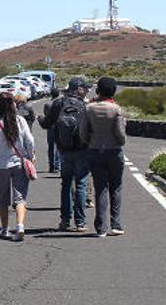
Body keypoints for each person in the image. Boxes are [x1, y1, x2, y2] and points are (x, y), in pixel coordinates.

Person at [39, 77, 93, 232]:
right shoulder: (85, 106)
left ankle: (65, 221)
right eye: (86, 88)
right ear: (79, 89)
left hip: (64, 150)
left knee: (66, 184)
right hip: (82, 150)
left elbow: (46, 124)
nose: (88, 91)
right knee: (81, 184)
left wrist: (40, 119)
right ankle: (81, 222)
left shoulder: (59, 103)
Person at [81, 77, 128, 238]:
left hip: (94, 151)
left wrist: (89, 142)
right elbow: (121, 134)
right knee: (116, 187)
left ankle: (101, 227)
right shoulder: (116, 109)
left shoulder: (89, 108)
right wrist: (120, 142)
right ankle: (116, 224)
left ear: (98, 90)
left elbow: (82, 132)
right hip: (114, 151)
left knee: (100, 188)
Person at [0, 92, 35, 241]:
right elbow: (29, 140)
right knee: (20, 197)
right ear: (13, 104)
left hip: (2, 164)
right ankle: (20, 226)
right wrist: (30, 157)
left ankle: (4, 229)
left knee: (2, 199)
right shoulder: (20, 120)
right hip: (19, 162)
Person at [44, 89, 61, 172]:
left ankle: (51, 166)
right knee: (58, 146)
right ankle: (57, 165)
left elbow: (46, 115)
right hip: (59, 126)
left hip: (50, 126)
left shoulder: (47, 104)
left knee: (50, 147)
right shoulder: (61, 103)